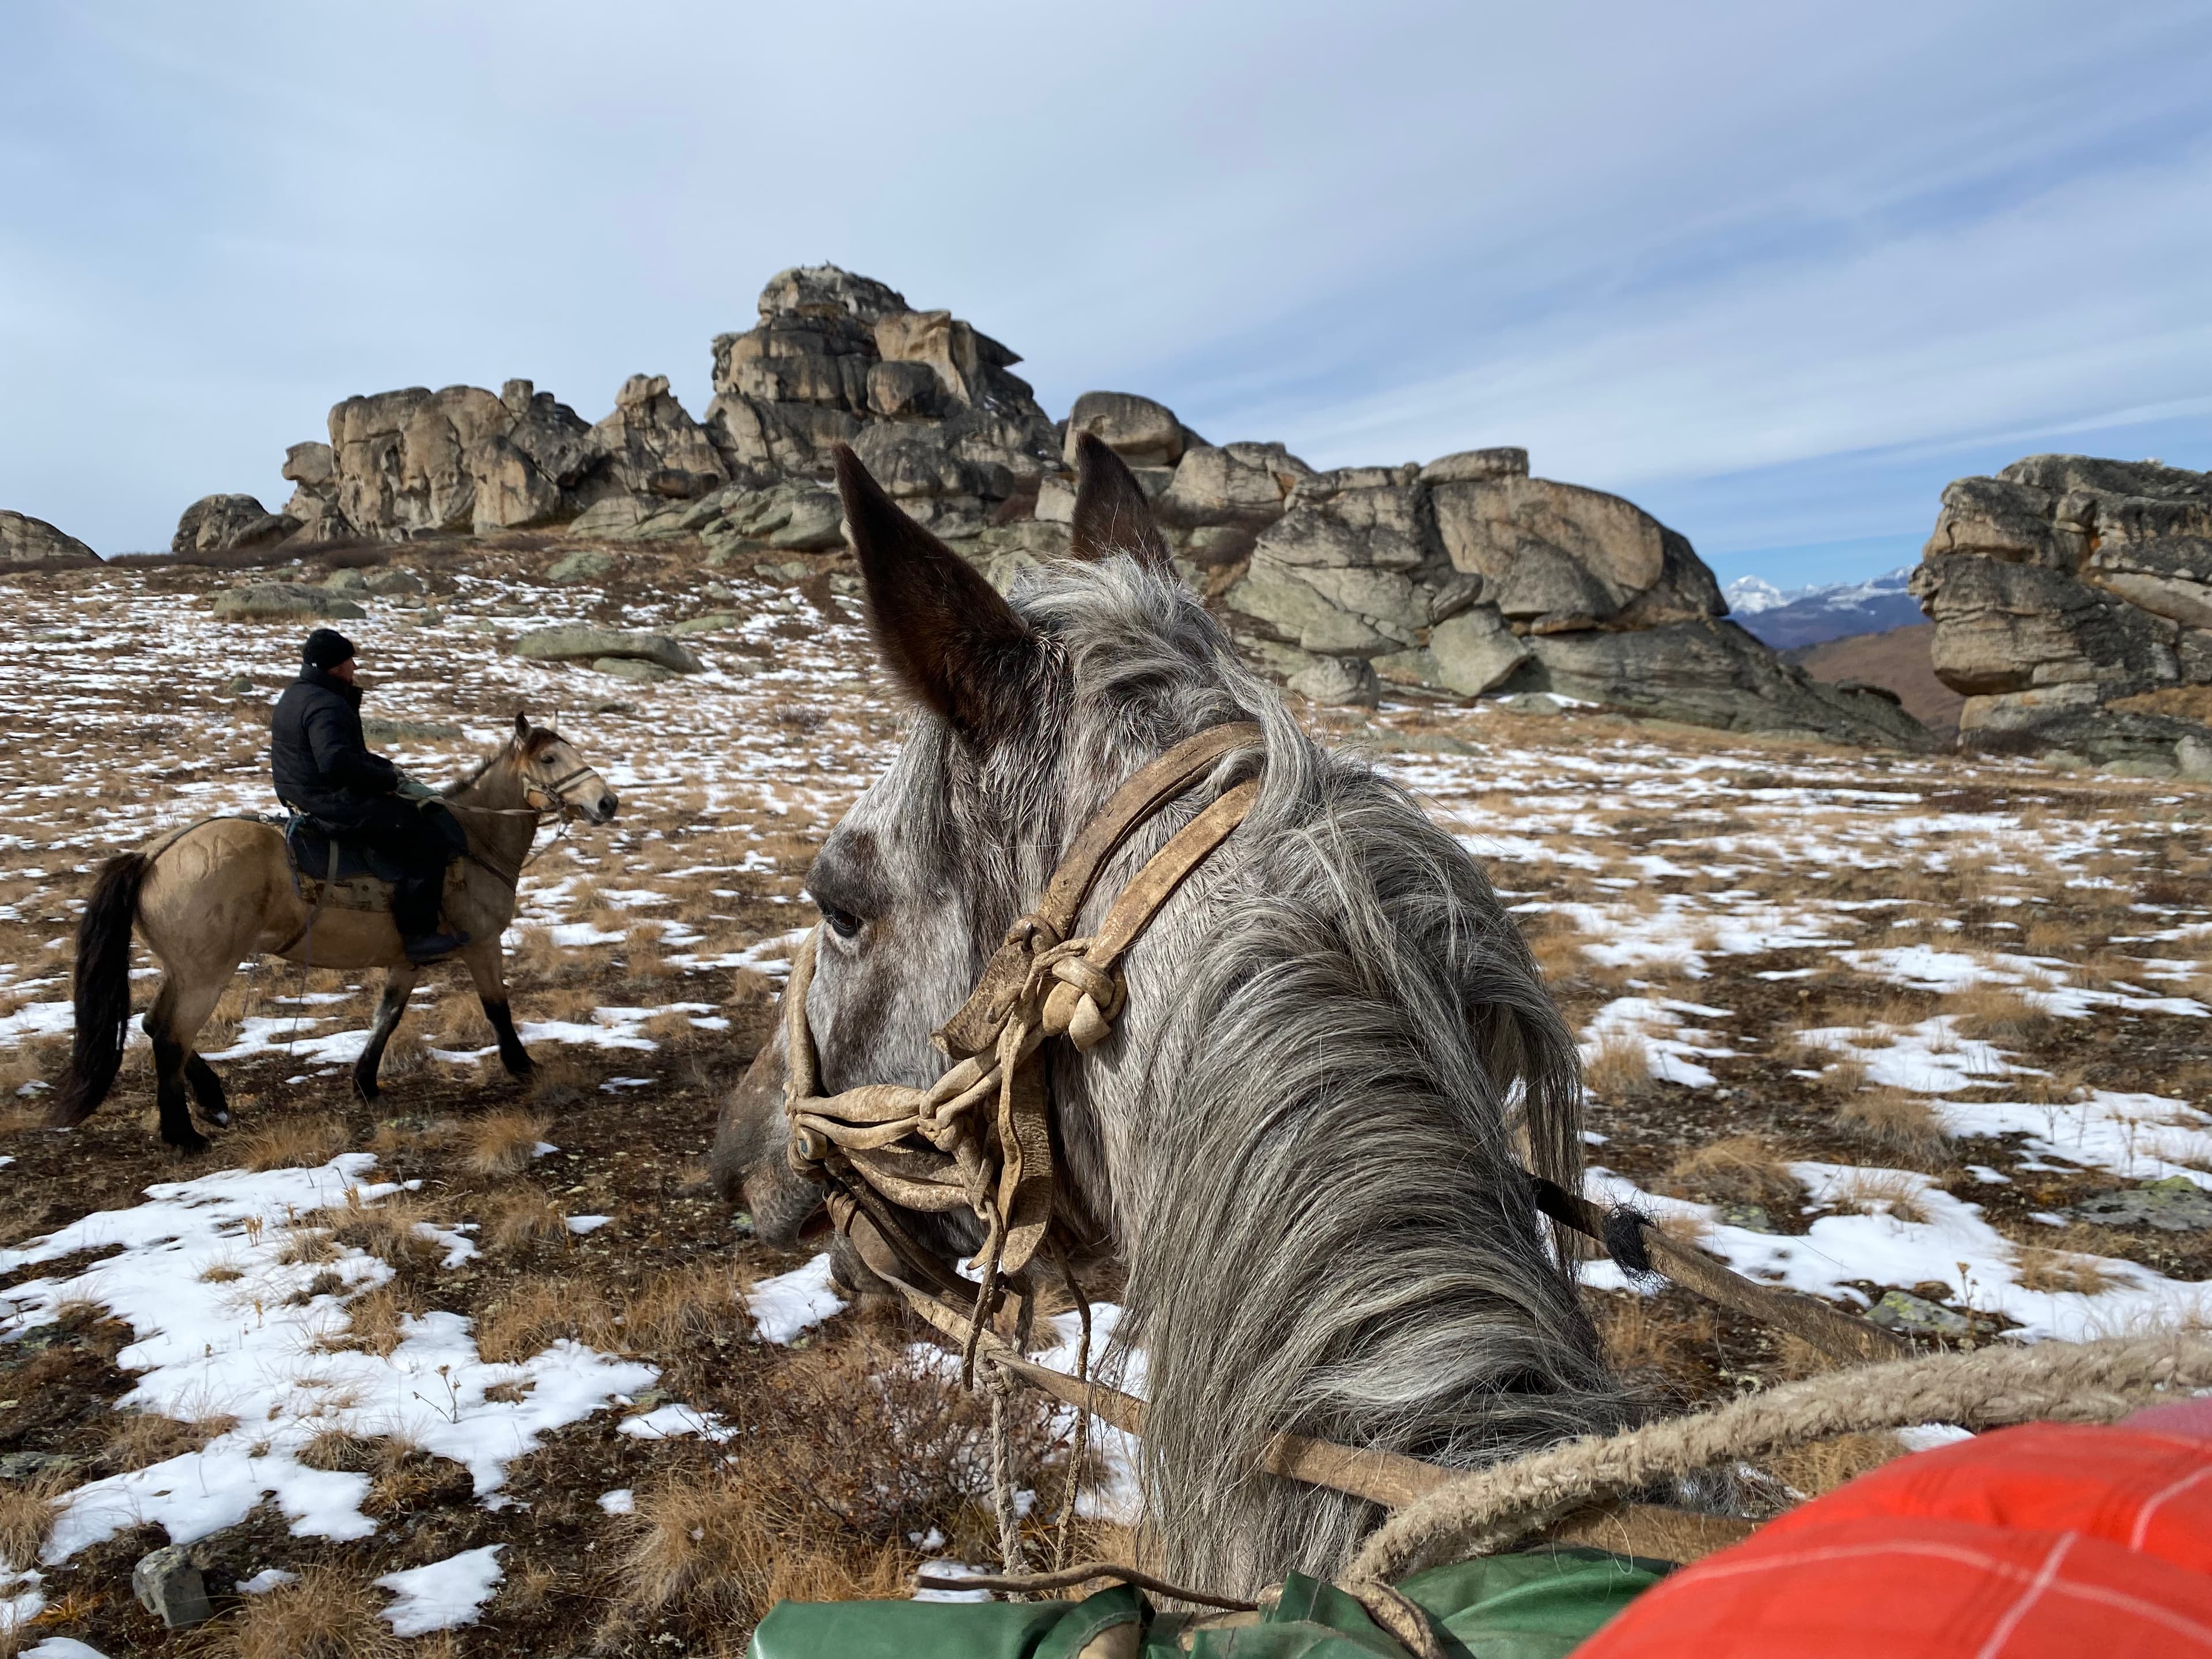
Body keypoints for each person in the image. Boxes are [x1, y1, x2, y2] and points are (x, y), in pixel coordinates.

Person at [271, 628, 470, 963]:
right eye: (350, 661)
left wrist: (383, 768)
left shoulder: (297, 694)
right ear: (335, 666)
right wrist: (384, 779)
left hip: (301, 797)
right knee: (426, 839)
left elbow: (339, 755)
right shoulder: (326, 705)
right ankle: (418, 936)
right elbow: (335, 763)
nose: (354, 667)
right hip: (330, 803)